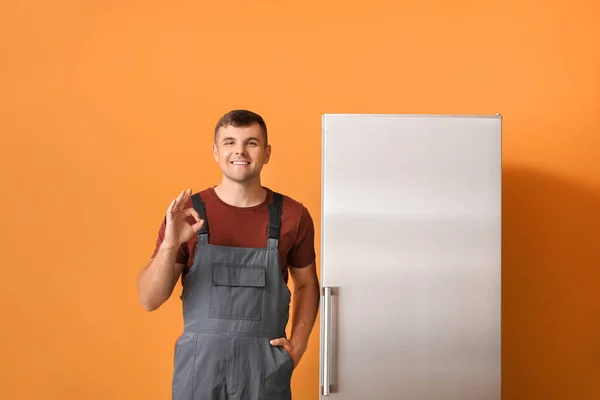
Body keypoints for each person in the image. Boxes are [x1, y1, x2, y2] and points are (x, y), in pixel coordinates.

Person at [136, 109, 321, 400]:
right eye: (230, 142)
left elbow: (308, 284)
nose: (240, 151)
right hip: (200, 372)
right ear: (215, 151)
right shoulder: (188, 214)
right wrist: (170, 245)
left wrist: (297, 346)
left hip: (264, 369)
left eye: (251, 142)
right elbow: (149, 299)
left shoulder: (292, 216)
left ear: (267, 152)